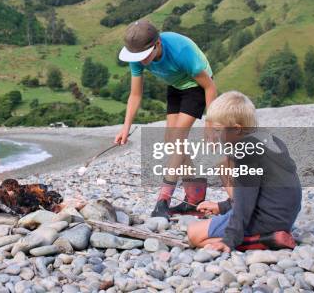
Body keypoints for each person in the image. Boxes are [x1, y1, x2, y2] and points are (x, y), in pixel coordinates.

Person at [115, 18, 217, 218]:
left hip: (197, 87)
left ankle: (163, 199)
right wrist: (125, 128)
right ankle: (195, 196)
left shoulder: (181, 51)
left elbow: (210, 87)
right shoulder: (136, 57)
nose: (141, 61)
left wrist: (210, 122)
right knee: (171, 142)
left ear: (158, 44)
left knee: (177, 140)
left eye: (145, 56)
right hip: (176, 86)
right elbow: (135, 94)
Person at [186, 91, 302, 252]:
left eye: (219, 131)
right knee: (224, 164)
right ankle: (267, 234)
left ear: (237, 129)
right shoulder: (270, 140)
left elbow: (244, 205)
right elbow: (257, 192)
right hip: (284, 216)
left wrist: (229, 240)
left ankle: (266, 240)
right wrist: (221, 206)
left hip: (266, 220)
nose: (216, 136)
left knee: (194, 234)